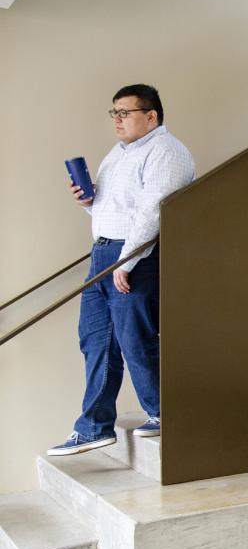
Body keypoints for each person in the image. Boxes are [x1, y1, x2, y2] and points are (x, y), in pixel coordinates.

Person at [48, 85, 195, 456]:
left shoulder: (166, 151)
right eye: (114, 112)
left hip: (135, 256)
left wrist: (124, 262)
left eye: (125, 113)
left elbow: (153, 213)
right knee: (95, 339)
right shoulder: (118, 154)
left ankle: (165, 412)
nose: (117, 119)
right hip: (103, 252)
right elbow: (115, 210)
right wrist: (88, 202)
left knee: (135, 339)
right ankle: (95, 426)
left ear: (151, 116)